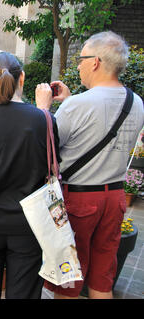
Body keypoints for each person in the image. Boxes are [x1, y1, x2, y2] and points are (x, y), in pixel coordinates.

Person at [35, 31, 144, 299]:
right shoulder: (136, 102)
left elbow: (47, 146)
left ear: (95, 61)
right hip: (115, 197)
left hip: (80, 199)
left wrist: (43, 110)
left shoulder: (77, 105)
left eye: (81, 59)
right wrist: (73, 99)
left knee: (69, 278)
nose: (78, 65)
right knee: (102, 275)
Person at [0, 52, 60, 299]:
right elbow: (50, 162)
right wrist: (44, 111)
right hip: (28, 223)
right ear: (22, 78)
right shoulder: (44, 120)